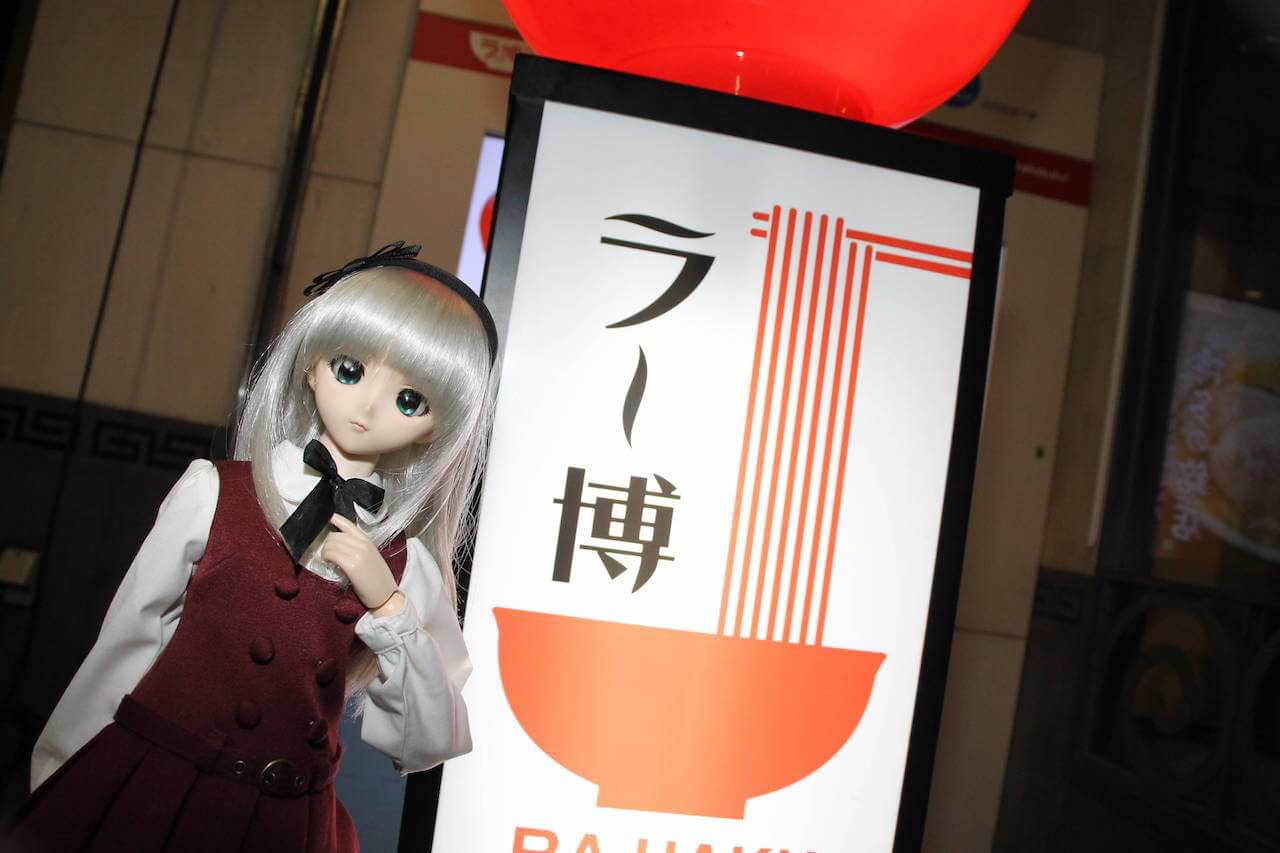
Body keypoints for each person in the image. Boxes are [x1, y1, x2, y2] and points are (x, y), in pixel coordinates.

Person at [8, 242, 498, 852]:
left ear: (437, 427)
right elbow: (127, 644)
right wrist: (64, 779)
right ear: (311, 366)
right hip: (155, 792)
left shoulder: (405, 566)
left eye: (409, 400)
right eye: (349, 370)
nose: (369, 408)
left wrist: (389, 609)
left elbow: (427, 743)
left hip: (288, 825)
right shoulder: (213, 493)